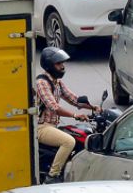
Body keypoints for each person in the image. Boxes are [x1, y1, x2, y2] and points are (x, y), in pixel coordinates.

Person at [35, 47, 100, 184]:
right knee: (69, 141)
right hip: (41, 127)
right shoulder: (42, 83)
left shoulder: (56, 82)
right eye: (58, 64)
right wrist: (75, 115)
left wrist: (93, 107)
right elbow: (54, 107)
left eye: (62, 63)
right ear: (49, 65)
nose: (62, 66)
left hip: (52, 126)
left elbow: (74, 99)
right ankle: (53, 175)